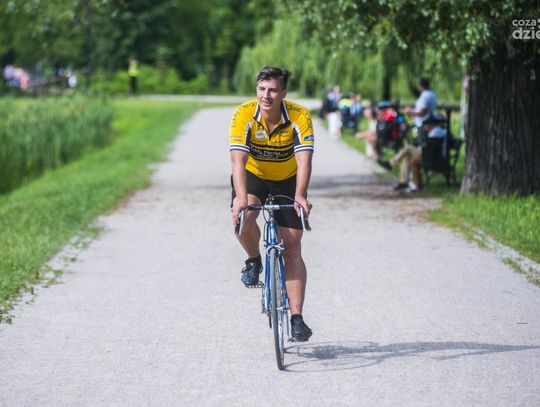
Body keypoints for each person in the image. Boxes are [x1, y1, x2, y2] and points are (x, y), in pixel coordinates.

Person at [229, 66, 314, 342]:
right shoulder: (244, 114)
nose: (266, 95)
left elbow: (304, 160)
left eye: (273, 90)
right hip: (253, 176)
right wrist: (241, 199)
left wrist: (300, 195)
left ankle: (297, 318)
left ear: (283, 93)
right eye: (262, 89)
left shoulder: (299, 116)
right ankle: (254, 260)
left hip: (288, 179)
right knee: (244, 218)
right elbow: (237, 160)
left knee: (292, 246)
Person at [377, 114, 447, 191]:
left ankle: (391, 164)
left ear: (431, 125)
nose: (424, 127)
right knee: (407, 157)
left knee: (408, 148)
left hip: (430, 158)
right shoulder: (437, 131)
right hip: (429, 156)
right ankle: (403, 182)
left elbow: (430, 147)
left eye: (425, 125)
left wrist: (420, 148)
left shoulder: (436, 132)